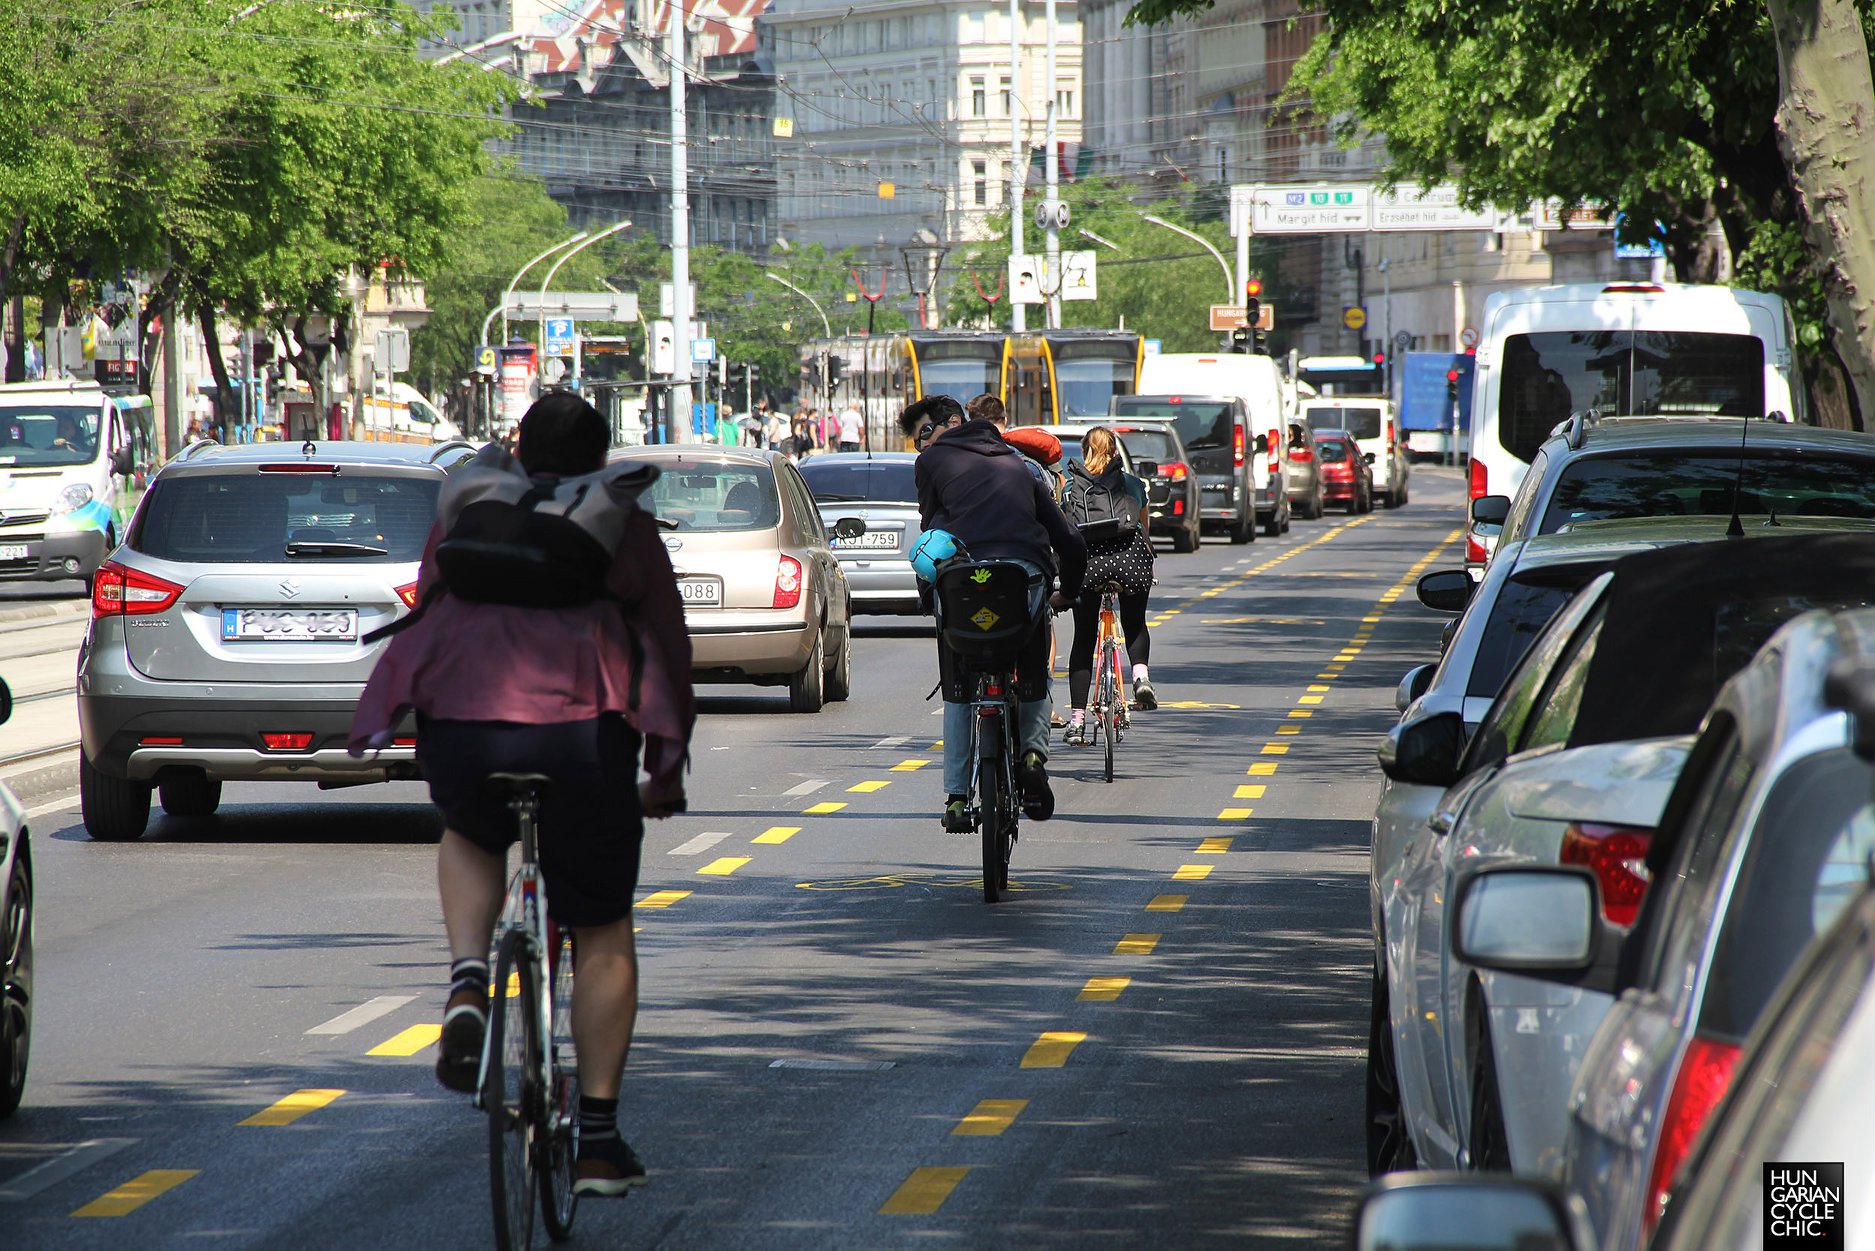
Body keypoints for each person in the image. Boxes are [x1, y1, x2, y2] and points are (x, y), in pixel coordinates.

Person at [348, 393, 695, 1196]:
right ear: (599, 460)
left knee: (471, 832)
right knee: (601, 925)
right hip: (582, 732)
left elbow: (429, 605)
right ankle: (598, 1143)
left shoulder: (473, 501)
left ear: (517, 446)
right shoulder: (621, 520)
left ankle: (470, 978)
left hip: (463, 719)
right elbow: (667, 647)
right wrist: (663, 769)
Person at [910, 393, 1085, 831]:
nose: (922, 444)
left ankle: (955, 799)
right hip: (1021, 580)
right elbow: (1069, 541)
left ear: (953, 424)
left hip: (961, 585)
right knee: (1034, 673)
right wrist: (1069, 593)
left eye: (925, 433)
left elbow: (931, 534)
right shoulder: (1018, 465)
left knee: (958, 690)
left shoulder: (931, 465)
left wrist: (930, 597)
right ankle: (1033, 756)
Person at [1061, 426, 1158, 746]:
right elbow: (1143, 527)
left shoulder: (1072, 487)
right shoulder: (1132, 484)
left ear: (1085, 450)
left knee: (1083, 638)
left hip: (1087, 567)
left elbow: (1064, 532)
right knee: (1135, 622)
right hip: (1129, 562)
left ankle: (1077, 722)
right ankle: (1141, 677)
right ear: (1115, 450)